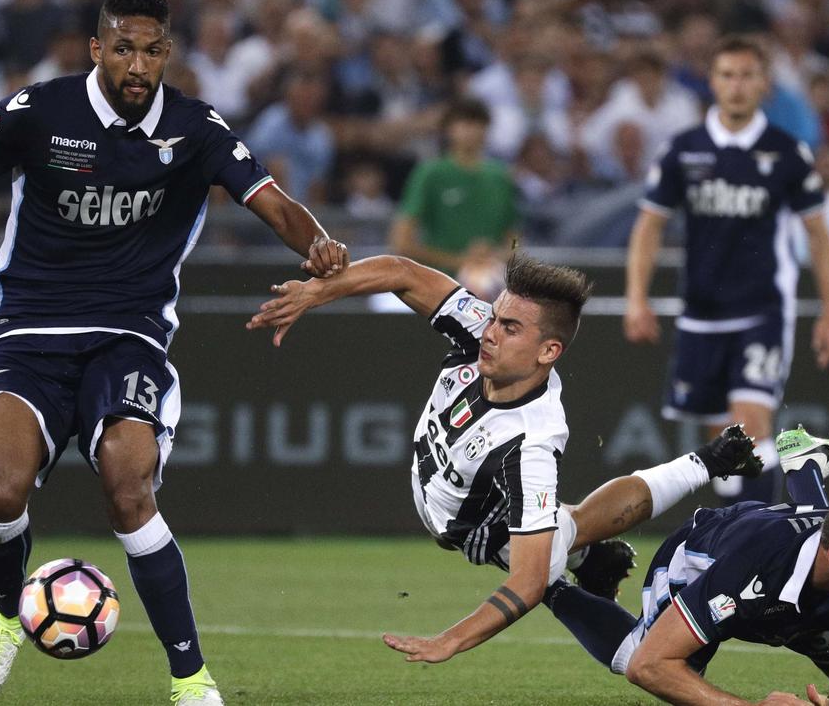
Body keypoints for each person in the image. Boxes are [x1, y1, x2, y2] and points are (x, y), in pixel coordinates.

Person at [0, 0, 349, 702]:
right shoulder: (39, 112)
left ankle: (190, 679)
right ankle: (3, 617)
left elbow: (271, 200)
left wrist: (316, 241)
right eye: (123, 49)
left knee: (129, 490)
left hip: (128, 338)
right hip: (26, 334)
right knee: (2, 491)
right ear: (95, 48)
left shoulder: (195, 129)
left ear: (166, 53)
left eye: (151, 52)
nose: (137, 65)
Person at [247, 253, 763, 664]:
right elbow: (402, 272)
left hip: (475, 530)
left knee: (552, 568)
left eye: (511, 327)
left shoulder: (529, 446)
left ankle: (612, 552)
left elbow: (526, 582)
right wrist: (317, 292)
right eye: (495, 316)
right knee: (573, 525)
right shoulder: (479, 331)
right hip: (452, 492)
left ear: (548, 352)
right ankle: (695, 473)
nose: (491, 333)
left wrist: (449, 640)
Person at [624, 35, 829, 505]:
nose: (737, 86)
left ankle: (763, 538)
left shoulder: (786, 152)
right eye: (727, 75)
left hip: (763, 307)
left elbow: (819, 236)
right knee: (725, 441)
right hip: (702, 310)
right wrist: (636, 299)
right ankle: (739, 532)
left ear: (764, 84)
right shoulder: (684, 150)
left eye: (747, 75)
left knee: (750, 423)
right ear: (713, 82)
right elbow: (649, 227)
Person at [547, 427, 829, 706]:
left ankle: (804, 466)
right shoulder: (748, 570)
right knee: (643, 657)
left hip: (791, 574)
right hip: (703, 558)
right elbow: (648, 667)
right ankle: (550, 584)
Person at [388, 98, 518, 298]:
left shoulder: (501, 177)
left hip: (491, 287)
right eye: (464, 123)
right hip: (438, 288)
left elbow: (516, 240)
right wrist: (459, 260)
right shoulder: (430, 173)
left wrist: (497, 255)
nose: (471, 130)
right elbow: (402, 241)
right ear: (448, 129)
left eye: (478, 123)